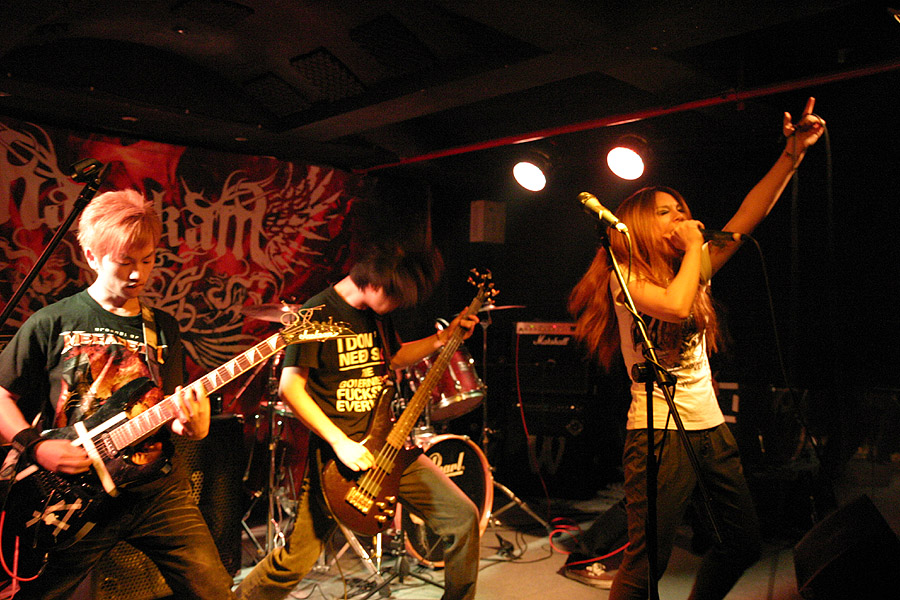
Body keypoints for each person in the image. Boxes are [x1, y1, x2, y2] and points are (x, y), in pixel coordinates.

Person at [568, 98, 825, 600]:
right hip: (657, 433)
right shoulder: (627, 278)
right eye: (666, 213)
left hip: (709, 426)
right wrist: (692, 249)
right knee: (647, 563)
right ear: (640, 226)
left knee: (742, 543)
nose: (681, 218)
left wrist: (792, 155)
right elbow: (676, 305)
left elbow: (748, 215)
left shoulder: (693, 266)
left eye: (682, 210)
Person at [0, 189, 236, 599]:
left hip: (156, 490)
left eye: (147, 260)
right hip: (73, 494)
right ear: (92, 256)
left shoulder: (163, 327)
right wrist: (36, 447)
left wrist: (192, 426)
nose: (138, 274)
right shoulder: (52, 321)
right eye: (125, 262)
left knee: (214, 590)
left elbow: (170, 410)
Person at [235, 242, 481, 600]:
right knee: (296, 559)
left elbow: (393, 358)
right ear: (375, 283)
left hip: (386, 450)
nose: (398, 305)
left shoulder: (375, 313)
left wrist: (443, 338)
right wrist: (340, 442)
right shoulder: (316, 313)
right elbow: (291, 387)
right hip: (337, 460)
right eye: (395, 297)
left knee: (462, 517)